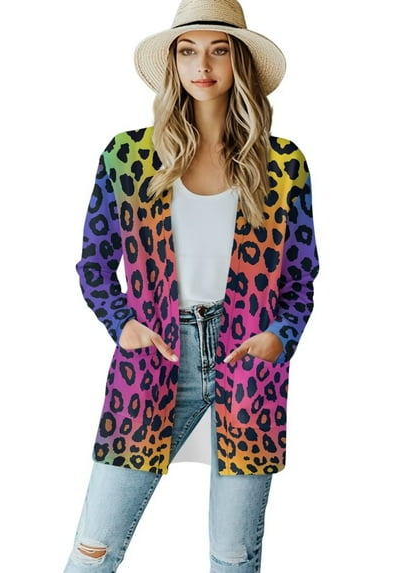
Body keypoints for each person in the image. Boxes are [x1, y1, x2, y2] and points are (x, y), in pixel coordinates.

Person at [64, 0, 319, 571]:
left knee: (234, 556)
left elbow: (301, 275)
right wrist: (122, 325)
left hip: (248, 364)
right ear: (173, 62)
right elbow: (94, 263)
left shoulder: (283, 163)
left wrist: (279, 337)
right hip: (154, 358)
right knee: (93, 550)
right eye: (188, 50)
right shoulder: (128, 155)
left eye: (218, 50)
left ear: (239, 62)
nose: (202, 65)